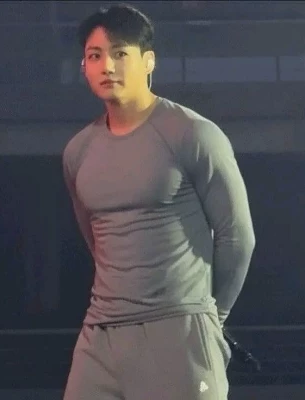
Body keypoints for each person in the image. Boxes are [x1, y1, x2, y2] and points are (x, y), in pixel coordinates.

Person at [62, 4, 255, 400]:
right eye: (95, 56)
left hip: (179, 330)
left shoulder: (193, 134)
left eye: (120, 53)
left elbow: (238, 238)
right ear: (84, 66)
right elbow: (95, 241)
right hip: (100, 336)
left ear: (148, 61)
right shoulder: (78, 151)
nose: (106, 66)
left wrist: (210, 318)